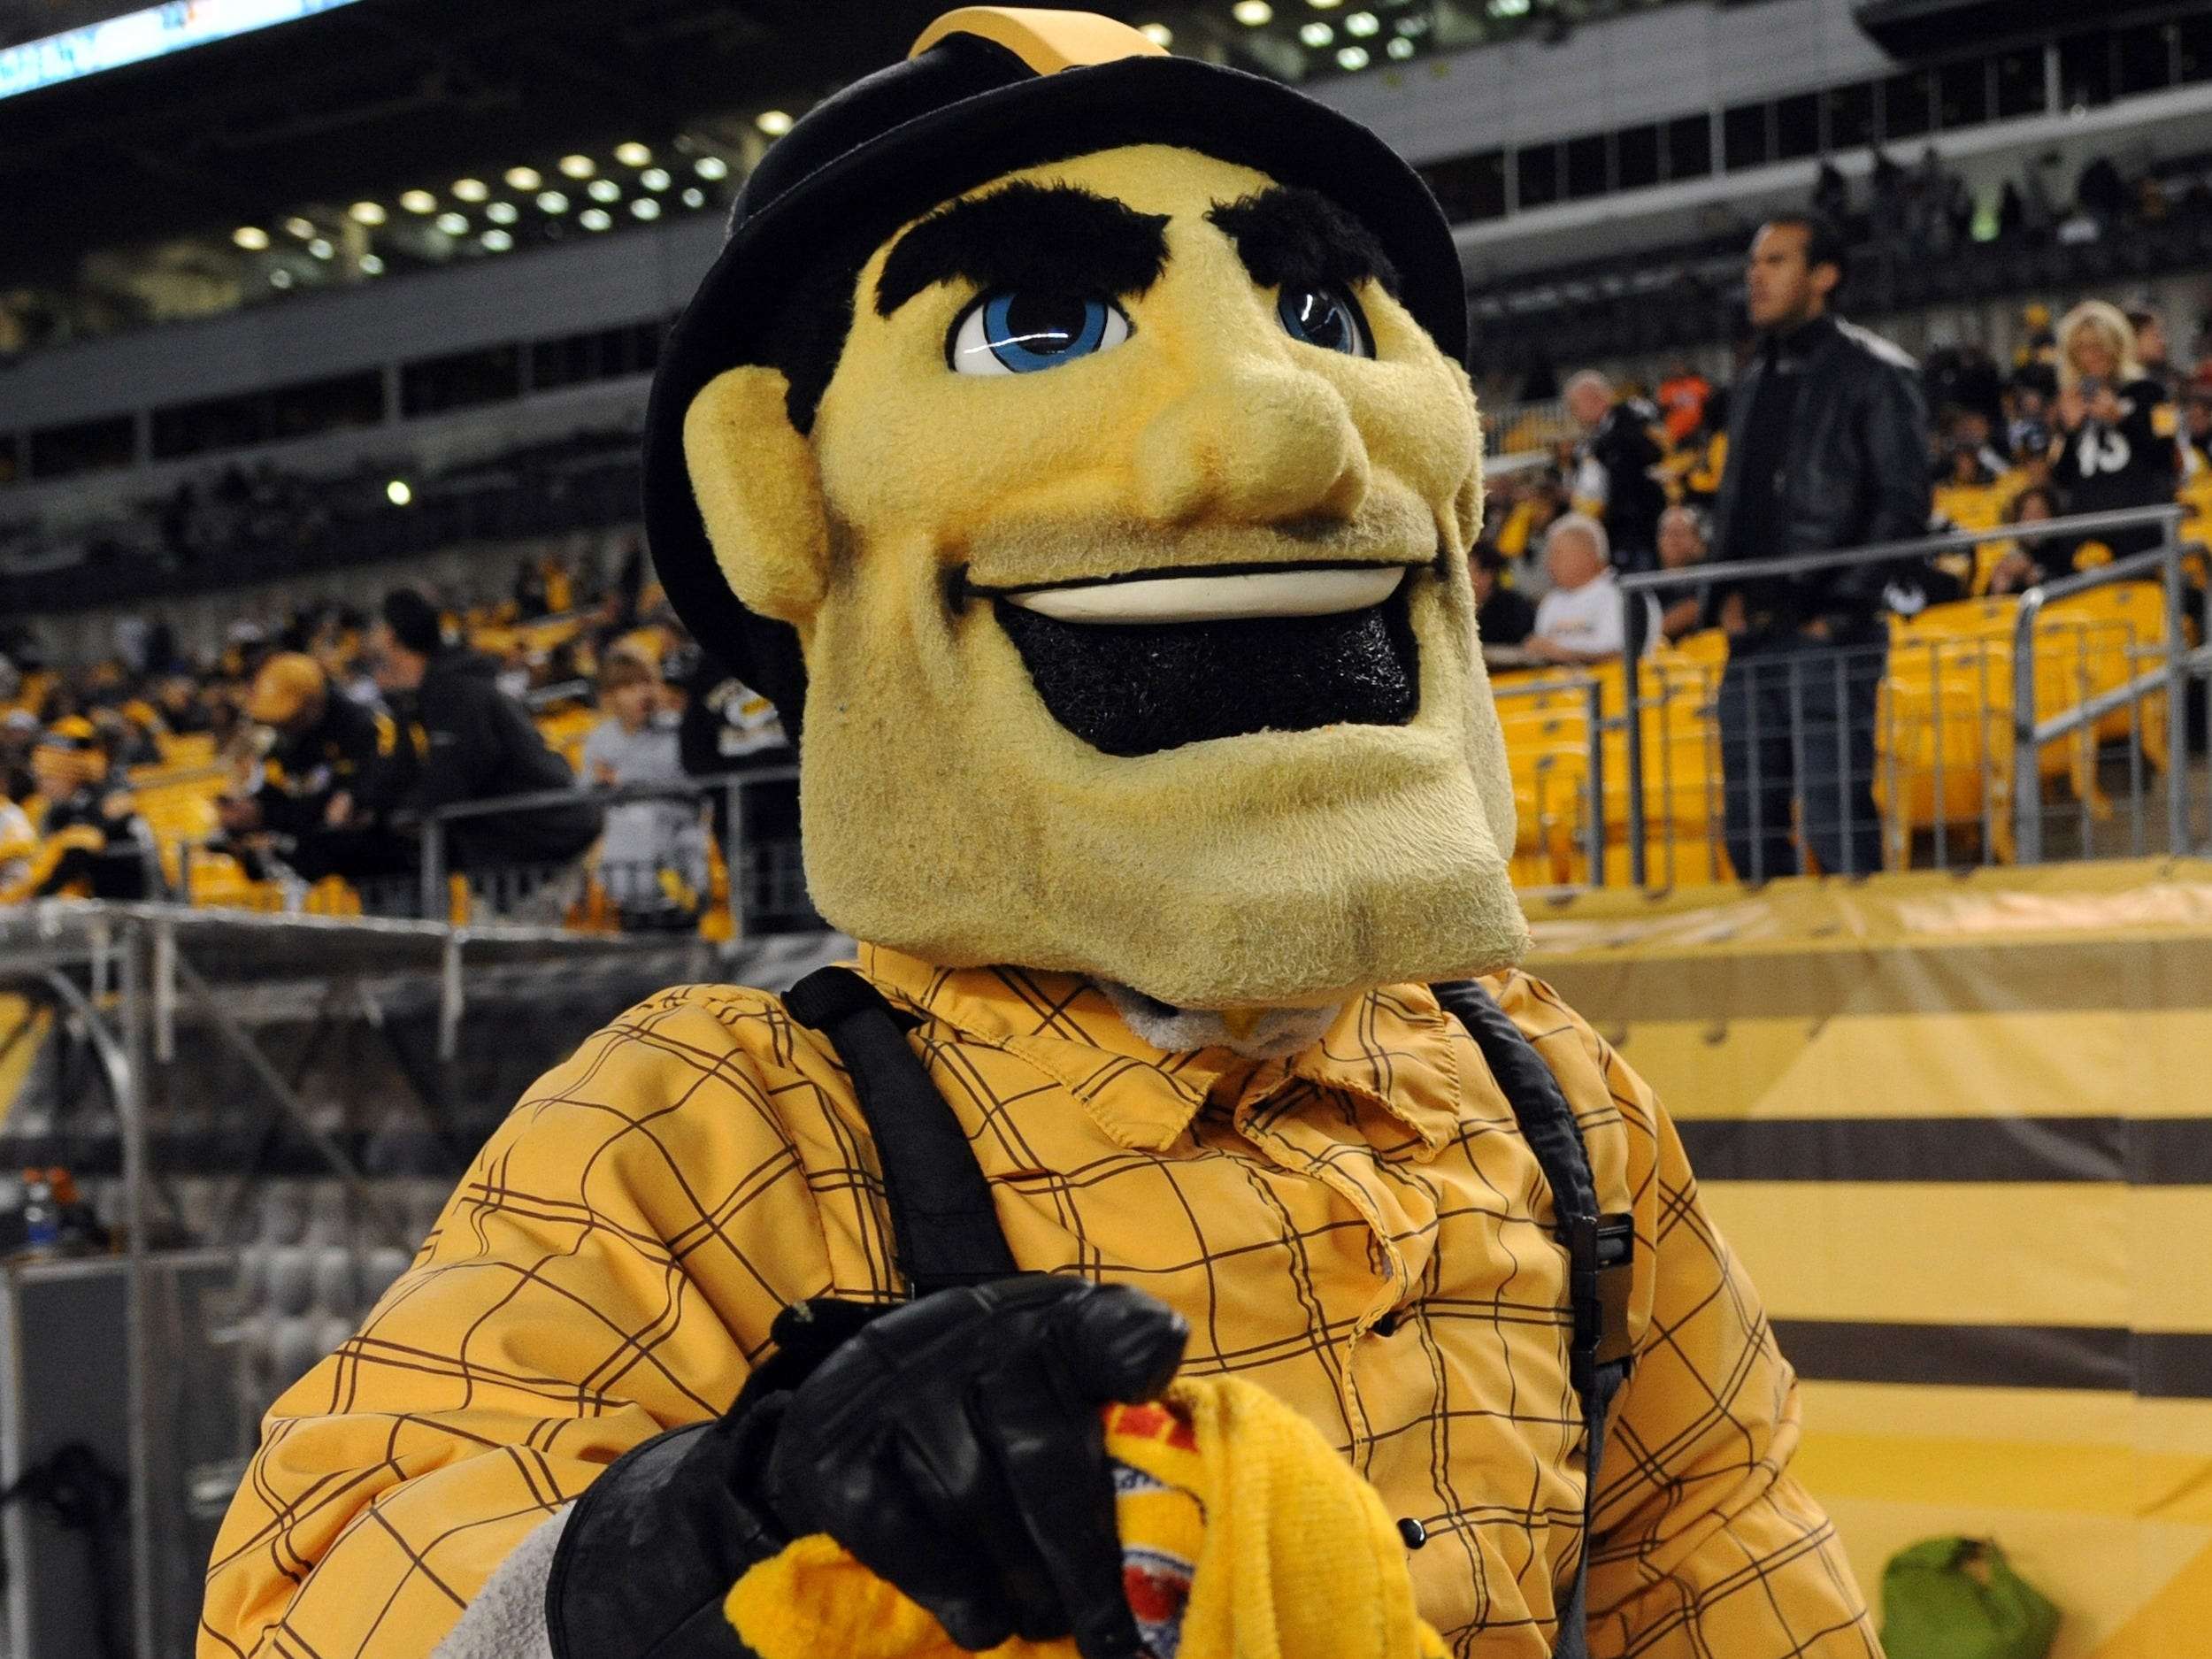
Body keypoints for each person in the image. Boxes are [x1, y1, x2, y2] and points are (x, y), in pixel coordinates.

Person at [205, 15, 1877, 1659]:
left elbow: (1720, 1553)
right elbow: (326, 1592)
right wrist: (700, 1530)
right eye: (1036, 323)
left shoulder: (1556, 1096)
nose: (1289, 430)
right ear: (783, 502)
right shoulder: (718, 1130)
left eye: (1314, 311)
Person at [1709, 211, 1931, 880]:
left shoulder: (1876, 372)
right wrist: (1725, 597)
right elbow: (1738, 499)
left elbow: (1903, 505)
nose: (1757, 276)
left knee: (1837, 822)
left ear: (1824, 276)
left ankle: (1865, 974)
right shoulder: (1751, 380)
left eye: (1776, 261)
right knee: (1749, 830)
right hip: (1753, 641)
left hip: (1830, 633)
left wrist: (1834, 612)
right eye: (1753, 263)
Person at [370, 588, 602, 899]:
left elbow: (456, 775)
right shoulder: (426, 694)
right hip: (512, 861)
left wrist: (403, 812)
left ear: (391, 636)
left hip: (540, 856)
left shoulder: (455, 691)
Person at [217, 652, 411, 888]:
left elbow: (386, 779)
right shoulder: (289, 742)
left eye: (290, 717)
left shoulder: (364, 728)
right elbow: (284, 791)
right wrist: (255, 808)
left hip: (387, 865)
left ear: (312, 703)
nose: (283, 725)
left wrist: (355, 798)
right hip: (334, 875)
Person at [580, 650, 709, 929]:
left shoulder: (677, 730)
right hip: (624, 877)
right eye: (629, 686)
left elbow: (694, 783)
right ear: (609, 696)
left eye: (647, 683)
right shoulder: (599, 740)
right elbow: (586, 790)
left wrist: (624, 777)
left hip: (678, 870)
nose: (643, 693)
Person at [2047, 300, 2179, 566]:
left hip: (2139, 526)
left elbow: (2167, 457)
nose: (2090, 356)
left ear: (2115, 345)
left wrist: (2122, 420)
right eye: (2081, 349)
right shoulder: (2072, 399)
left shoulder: (2153, 391)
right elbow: (2062, 478)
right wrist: (2070, 431)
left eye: (2097, 346)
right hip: (2088, 530)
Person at [7, 717, 159, 902]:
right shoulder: (62, 811)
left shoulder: (108, 795)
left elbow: (76, 856)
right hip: (98, 897)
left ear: (70, 773)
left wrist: (35, 895)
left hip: (129, 898)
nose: (42, 786)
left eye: (48, 777)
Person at [1563, 369, 1668, 573]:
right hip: (1621, 533)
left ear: (1592, 398)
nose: (1574, 414)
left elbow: (1655, 459)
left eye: (1575, 407)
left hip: (1643, 529)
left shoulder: (1634, 420)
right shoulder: (1597, 440)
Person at [1525, 513, 1659, 664]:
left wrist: (1562, 654)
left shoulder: (1625, 592)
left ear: (1588, 553)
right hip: (1558, 683)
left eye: (1557, 554)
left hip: (1615, 684)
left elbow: (1625, 654)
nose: (1549, 564)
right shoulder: (1552, 600)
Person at [1468, 541, 1535, 658]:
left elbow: (1523, 648)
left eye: (1466, 570)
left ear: (1487, 576)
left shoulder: (1513, 608)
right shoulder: (1453, 606)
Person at [1655, 504, 1711, 642]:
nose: (1674, 541)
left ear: (1697, 540)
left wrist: (1651, 632)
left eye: (1680, 534)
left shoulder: (1706, 574)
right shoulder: (1646, 578)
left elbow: (1693, 609)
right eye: (1668, 533)